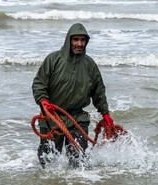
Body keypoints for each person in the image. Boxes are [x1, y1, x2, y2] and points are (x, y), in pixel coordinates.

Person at [32, 23, 114, 168]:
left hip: (78, 119)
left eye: (83, 40)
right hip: (52, 117)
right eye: (75, 39)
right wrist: (43, 101)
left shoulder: (90, 65)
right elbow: (39, 85)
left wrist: (105, 114)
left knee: (78, 164)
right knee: (48, 164)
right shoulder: (53, 60)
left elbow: (98, 92)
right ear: (68, 40)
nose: (79, 43)